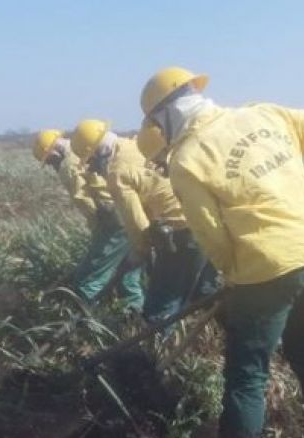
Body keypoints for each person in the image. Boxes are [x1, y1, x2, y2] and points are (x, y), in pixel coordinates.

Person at [139, 66, 304, 438]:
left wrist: (234, 276)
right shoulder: (266, 114)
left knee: (247, 375)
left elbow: (212, 237)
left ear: (163, 117)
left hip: (265, 268)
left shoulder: (187, 158)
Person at [69, 119, 218, 325]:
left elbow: (137, 224)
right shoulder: (135, 145)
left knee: (159, 306)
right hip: (205, 219)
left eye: (92, 162)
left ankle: (158, 351)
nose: (95, 169)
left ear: (99, 152)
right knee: (197, 291)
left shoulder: (116, 173)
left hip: (181, 232)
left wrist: (138, 252)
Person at [32, 130, 144, 311]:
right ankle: (134, 317)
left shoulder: (68, 165)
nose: (52, 165)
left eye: (49, 161)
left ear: (53, 153)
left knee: (88, 280)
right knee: (127, 275)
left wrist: (99, 232)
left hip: (113, 222)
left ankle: (87, 323)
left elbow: (84, 199)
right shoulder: (83, 151)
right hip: (130, 214)